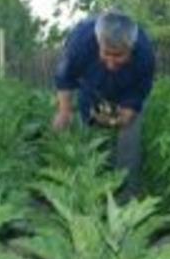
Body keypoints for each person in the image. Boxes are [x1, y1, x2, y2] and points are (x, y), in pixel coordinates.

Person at [53, 11, 156, 199]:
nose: (111, 62)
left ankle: (126, 196)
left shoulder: (145, 54)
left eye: (118, 56)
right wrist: (64, 111)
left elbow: (140, 91)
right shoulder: (80, 42)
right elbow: (64, 76)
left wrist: (126, 113)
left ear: (131, 48)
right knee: (90, 129)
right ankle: (94, 187)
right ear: (98, 43)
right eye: (106, 53)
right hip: (92, 88)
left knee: (129, 136)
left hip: (126, 91)